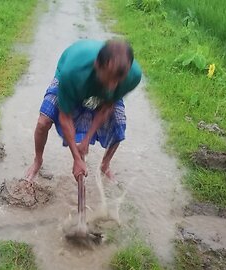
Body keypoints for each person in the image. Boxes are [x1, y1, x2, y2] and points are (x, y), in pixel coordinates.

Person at [25, 39, 142, 181]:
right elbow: (65, 117)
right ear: (97, 66)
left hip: (99, 79)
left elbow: (106, 107)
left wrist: (86, 139)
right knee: (43, 121)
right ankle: (38, 160)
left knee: (118, 123)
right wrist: (76, 158)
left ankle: (105, 165)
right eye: (109, 78)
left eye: (117, 80)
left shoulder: (132, 76)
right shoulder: (72, 73)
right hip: (72, 76)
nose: (112, 86)